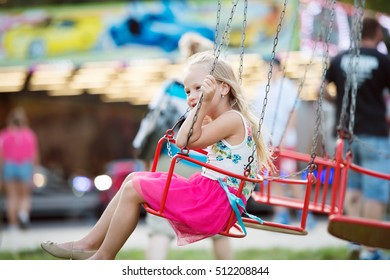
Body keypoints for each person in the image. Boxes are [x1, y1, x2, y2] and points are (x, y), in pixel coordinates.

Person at [41, 51, 270, 260]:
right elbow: (191, 140)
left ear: (223, 88)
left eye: (199, 88)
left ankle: (103, 258)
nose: (192, 96)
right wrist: (202, 105)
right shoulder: (224, 120)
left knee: (134, 188)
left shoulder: (231, 119)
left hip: (213, 203)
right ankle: (89, 243)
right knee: (132, 179)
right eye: (188, 91)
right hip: (209, 195)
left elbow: (184, 141)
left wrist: (202, 104)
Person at [133, 33, 233, 260]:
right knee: (219, 229)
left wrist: (145, 159)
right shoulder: (215, 91)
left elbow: (149, 126)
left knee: (160, 224)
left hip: (171, 160)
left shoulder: (170, 88)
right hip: (207, 163)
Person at [324, 17, 390, 260]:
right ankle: (370, 250)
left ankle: (355, 240)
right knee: (376, 189)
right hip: (374, 132)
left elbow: (322, 88)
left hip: (346, 133)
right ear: (378, 35)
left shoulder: (340, 58)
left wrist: (337, 102)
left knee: (352, 186)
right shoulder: (383, 60)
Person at [251, 56, 316, 229]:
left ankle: (305, 212)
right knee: (272, 177)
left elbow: (293, 111)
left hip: (285, 140)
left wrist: (287, 133)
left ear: (279, 68)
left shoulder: (287, 86)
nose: (268, 70)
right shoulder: (260, 89)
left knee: (291, 175)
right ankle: (281, 213)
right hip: (267, 140)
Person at [0, 107, 39, 230]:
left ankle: (13, 225)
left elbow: (1, 154)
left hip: (9, 165)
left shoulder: (4, 135)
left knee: (12, 196)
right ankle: (23, 214)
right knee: (25, 196)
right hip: (24, 165)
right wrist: (34, 172)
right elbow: (34, 155)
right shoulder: (30, 135)